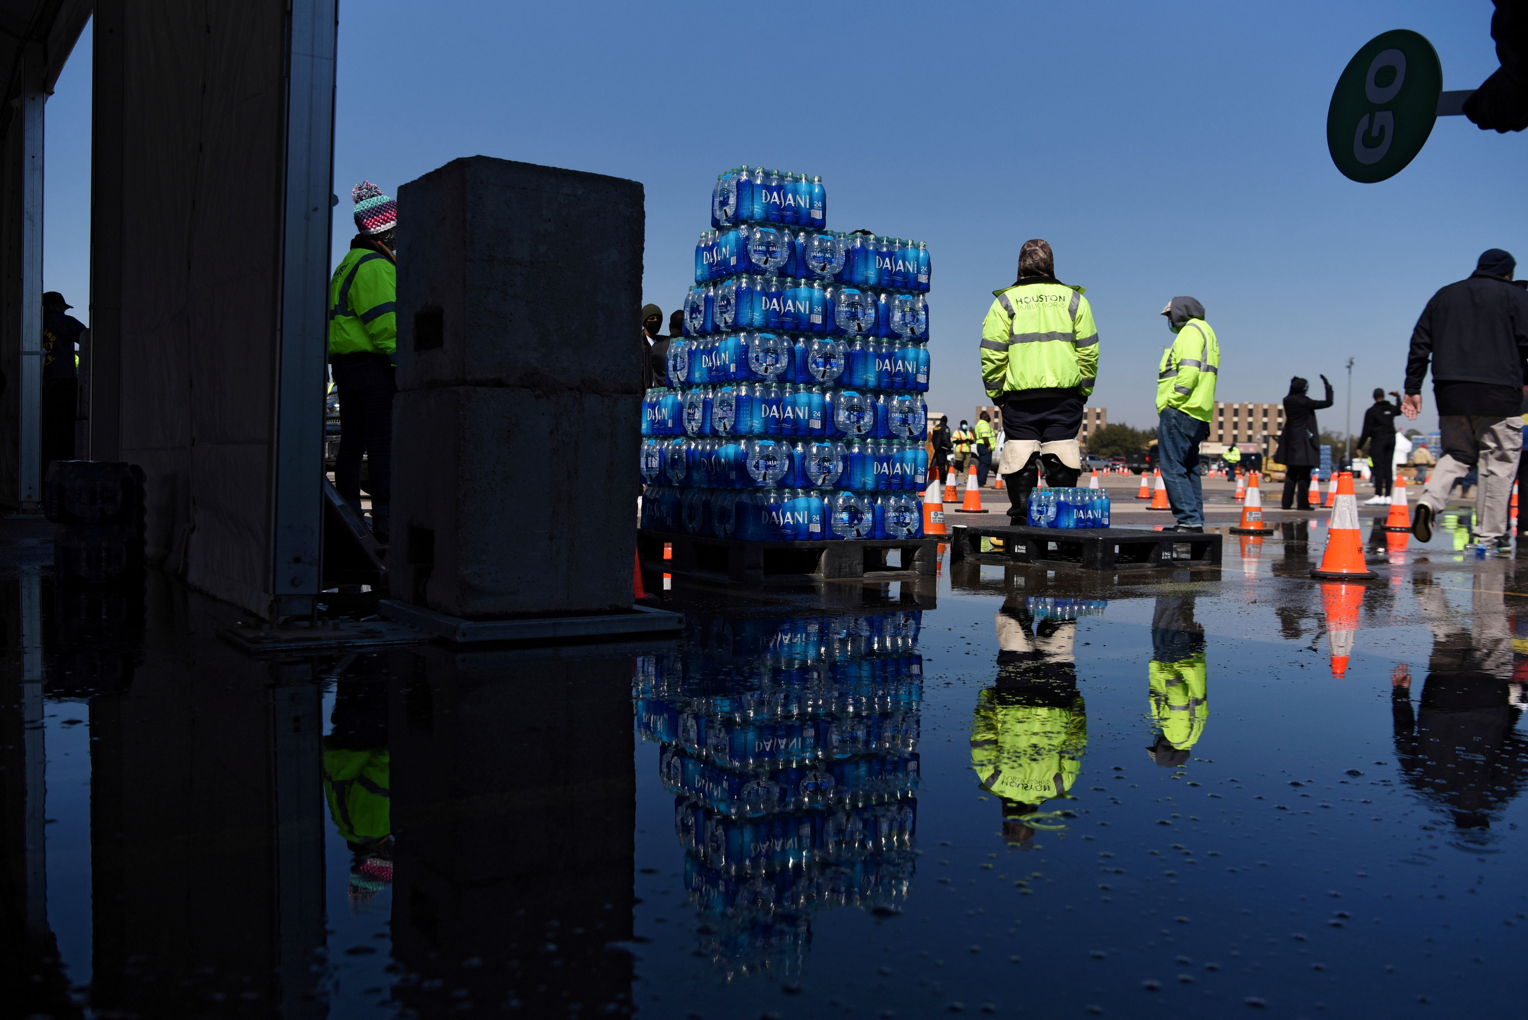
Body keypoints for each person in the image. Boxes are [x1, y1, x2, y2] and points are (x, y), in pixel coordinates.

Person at [1403, 249, 1528, 549]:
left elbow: (1420, 342)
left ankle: (1429, 503)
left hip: (1451, 394)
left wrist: (1413, 387)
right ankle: (1487, 537)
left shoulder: (1444, 295)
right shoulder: (1515, 296)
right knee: (1497, 462)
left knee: (1456, 455)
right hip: (1499, 394)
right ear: (1508, 273)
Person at [981, 239, 1098, 523]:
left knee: (1019, 455)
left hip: (1019, 399)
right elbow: (1088, 351)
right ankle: (1062, 527)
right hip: (1064, 396)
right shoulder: (1075, 300)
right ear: (1051, 265)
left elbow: (992, 353)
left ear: (1021, 266)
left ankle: (1022, 522)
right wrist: (1083, 391)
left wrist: (997, 394)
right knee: (1063, 454)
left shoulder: (1004, 302)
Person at [970, 595, 1087, 847]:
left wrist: (1077, 708)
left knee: (1059, 634)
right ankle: (1020, 581)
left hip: (1056, 700)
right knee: (1015, 640)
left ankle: (1064, 581)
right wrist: (987, 700)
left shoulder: (1058, 786)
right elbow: (983, 735)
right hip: (1014, 698)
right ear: (1005, 816)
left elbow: (1076, 743)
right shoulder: (992, 780)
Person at [328, 181, 398, 542]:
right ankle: (386, 522)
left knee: (352, 444)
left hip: (345, 366)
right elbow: (387, 323)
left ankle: (351, 516)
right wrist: (403, 365)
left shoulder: (346, 265)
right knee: (383, 443)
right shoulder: (375, 266)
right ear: (385, 229)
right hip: (373, 367)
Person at [1155, 297, 1219, 532]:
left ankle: (1189, 520)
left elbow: (1189, 373)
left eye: (1170, 315)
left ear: (1181, 312)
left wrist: (1173, 402)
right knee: (1189, 468)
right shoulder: (1207, 332)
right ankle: (1195, 520)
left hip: (1180, 410)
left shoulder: (1190, 332)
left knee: (1172, 467)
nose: (1169, 320)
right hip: (1198, 412)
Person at [1146, 595, 1208, 766]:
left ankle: (1183, 580)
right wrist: (1167, 673)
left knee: (1183, 611)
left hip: (1189, 663)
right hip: (1175, 661)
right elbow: (1179, 700)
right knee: (1168, 611)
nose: (1155, 742)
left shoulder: (1192, 737)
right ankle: (1172, 577)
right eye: (1155, 747)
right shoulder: (1177, 737)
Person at [41, 291, 85, 475]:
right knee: (65, 434)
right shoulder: (65, 322)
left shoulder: (30, 322)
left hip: (37, 384)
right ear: (58, 307)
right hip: (64, 383)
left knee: (42, 434)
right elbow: (89, 338)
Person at [1275, 375, 1333, 510]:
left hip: (1291, 441)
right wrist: (1328, 386)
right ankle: (1302, 504)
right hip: (1304, 442)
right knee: (1304, 476)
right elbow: (1328, 402)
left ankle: (1286, 503)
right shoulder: (1306, 402)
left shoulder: (1287, 400)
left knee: (1291, 474)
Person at [1354, 388, 1402, 504]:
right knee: (1388, 467)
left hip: (1378, 441)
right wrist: (1398, 397)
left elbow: (1366, 430)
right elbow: (1399, 411)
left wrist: (1359, 446)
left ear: (1374, 397)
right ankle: (1388, 496)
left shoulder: (1372, 411)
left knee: (1378, 468)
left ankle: (1379, 494)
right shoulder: (1390, 408)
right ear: (1384, 396)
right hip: (1391, 440)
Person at [640, 303, 667, 391]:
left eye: (658, 318)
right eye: (652, 319)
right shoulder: (639, 344)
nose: (656, 321)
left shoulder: (663, 343)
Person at [927, 414, 953, 485]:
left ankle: (934, 477)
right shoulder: (945, 428)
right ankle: (941, 479)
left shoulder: (936, 427)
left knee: (935, 464)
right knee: (942, 465)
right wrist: (949, 446)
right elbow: (945, 438)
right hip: (942, 448)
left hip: (936, 448)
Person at [974, 411, 995, 486]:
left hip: (981, 446)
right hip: (984, 446)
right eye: (988, 416)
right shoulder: (984, 424)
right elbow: (985, 436)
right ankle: (981, 482)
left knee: (982, 464)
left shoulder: (979, 424)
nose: (989, 418)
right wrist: (989, 445)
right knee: (985, 464)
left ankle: (980, 481)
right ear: (984, 417)